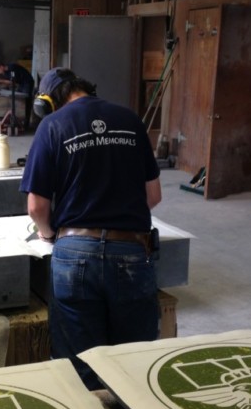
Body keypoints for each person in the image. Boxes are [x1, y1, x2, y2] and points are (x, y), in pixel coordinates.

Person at [20, 67, 162, 390]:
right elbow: (153, 196)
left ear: (48, 101)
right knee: (133, 367)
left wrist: (48, 233)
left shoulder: (51, 125)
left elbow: (37, 208)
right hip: (132, 252)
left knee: (79, 371)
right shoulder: (130, 120)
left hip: (73, 255)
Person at [0, 62, 34, 130]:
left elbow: (13, 82)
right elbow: (10, 83)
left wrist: (1, 81)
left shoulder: (12, 68)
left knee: (26, 100)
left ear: (1, 66)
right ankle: (20, 121)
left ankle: (26, 124)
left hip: (27, 82)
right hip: (21, 84)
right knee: (19, 100)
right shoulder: (6, 72)